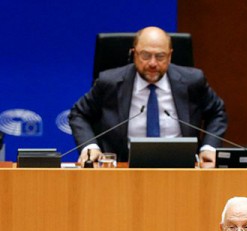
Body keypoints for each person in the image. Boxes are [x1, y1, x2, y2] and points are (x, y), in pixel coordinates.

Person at [69, 26, 227, 166]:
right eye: (145, 55)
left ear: (170, 56)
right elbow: (79, 113)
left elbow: (217, 112)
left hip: (182, 169)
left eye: (160, 56)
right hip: (123, 169)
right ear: (134, 54)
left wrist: (209, 148)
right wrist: (91, 148)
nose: (152, 63)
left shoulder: (193, 81)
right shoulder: (109, 82)